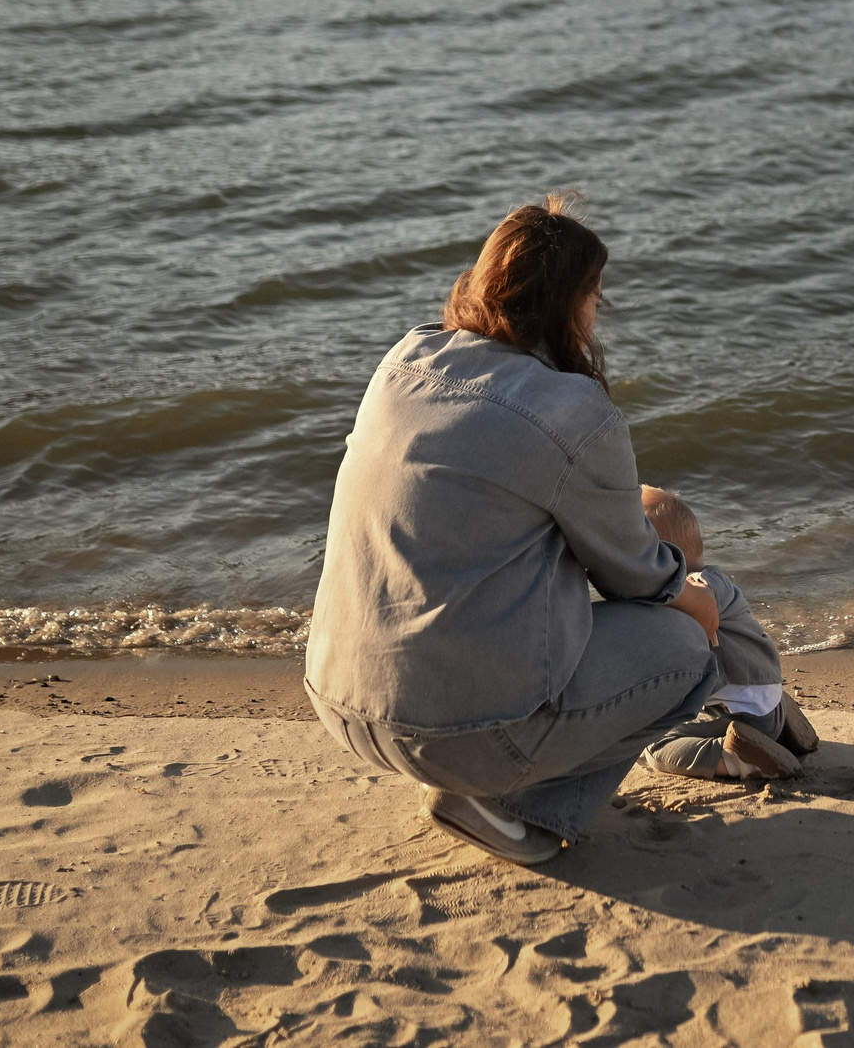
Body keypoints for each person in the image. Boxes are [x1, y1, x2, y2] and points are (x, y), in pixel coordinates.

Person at [303, 194, 724, 865]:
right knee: (685, 644)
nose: (596, 317)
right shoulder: (572, 410)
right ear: (568, 305)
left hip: (341, 699)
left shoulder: (403, 360)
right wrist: (695, 598)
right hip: (461, 732)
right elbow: (634, 574)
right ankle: (518, 810)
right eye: (594, 299)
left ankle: (473, 776)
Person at [634, 486, 821, 782]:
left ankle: (737, 757)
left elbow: (698, 602)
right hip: (765, 696)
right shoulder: (716, 577)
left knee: (655, 744)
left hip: (743, 714)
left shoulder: (698, 586)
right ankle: (783, 725)